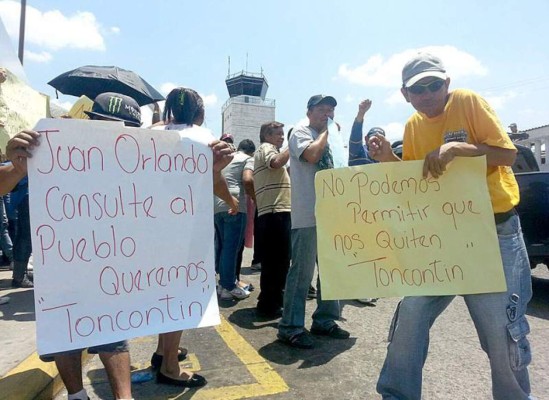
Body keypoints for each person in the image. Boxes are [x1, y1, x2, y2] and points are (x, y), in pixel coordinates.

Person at [369, 53, 534, 400]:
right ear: (405, 94)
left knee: (500, 330)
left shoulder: (468, 102)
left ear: (447, 84)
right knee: (411, 314)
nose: (427, 93)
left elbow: (506, 156)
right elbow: (418, 181)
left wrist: (460, 148)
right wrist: (387, 159)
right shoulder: (413, 125)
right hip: (443, 236)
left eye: (433, 85)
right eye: (418, 89)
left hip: (494, 231)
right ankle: (397, 394)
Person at [8, 92, 140, 400]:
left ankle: (124, 397)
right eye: (103, 124)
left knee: (113, 330)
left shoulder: (139, 158)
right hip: (64, 257)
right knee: (66, 328)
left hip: (111, 258)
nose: (112, 134)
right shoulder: (53, 149)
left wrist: (208, 168)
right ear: (89, 122)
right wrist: (19, 162)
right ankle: (76, 395)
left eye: (123, 128)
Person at [154, 87, 236, 388]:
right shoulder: (203, 137)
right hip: (185, 228)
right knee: (179, 294)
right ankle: (170, 367)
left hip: (151, 227)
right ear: (200, 113)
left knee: (163, 289)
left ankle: (163, 351)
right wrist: (231, 200)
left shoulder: (150, 132)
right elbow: (213, 179)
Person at [277, 95, 350, 349]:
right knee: (302, 273)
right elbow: (311, 155)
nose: (327, 113)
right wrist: (328, 132)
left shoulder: (332, 136)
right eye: (322, 109)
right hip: (308, 214)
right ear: (309, 112)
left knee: (332, 272)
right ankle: (291, 327)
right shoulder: (300, 131)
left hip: (331, 214)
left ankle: (325, 320)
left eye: (331, 109)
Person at [254, 121, 291, 318]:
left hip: (271, 212)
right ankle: (271, 302)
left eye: (283, 134)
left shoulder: (264, 150)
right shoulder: (267, 148)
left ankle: (269, 300)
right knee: (279, 260)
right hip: (276, 211)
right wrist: (292, 145)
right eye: (278, 134)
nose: (282, 137)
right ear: (267, 136)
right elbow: (276, 162)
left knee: (274, 261)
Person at [347, 99, 381, 306]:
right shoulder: (357, 153)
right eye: (373, 138)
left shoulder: (386, 160)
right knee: (359, 251)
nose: (376, 142)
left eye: (381, 138)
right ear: (367, 139)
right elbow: (354, 139)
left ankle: (371, 285)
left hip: (376, 213)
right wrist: (360, 115)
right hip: (356, 212)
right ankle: (357, 288)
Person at [215, 138, 255, 300]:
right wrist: (255, 198)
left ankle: (222, 284)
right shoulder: (248, 159)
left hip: (217, 203)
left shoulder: (230, 156)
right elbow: (247, 179)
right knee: (232, 248)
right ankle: (229, 286)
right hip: (235, 205)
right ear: (251, 152)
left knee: (223, 247)